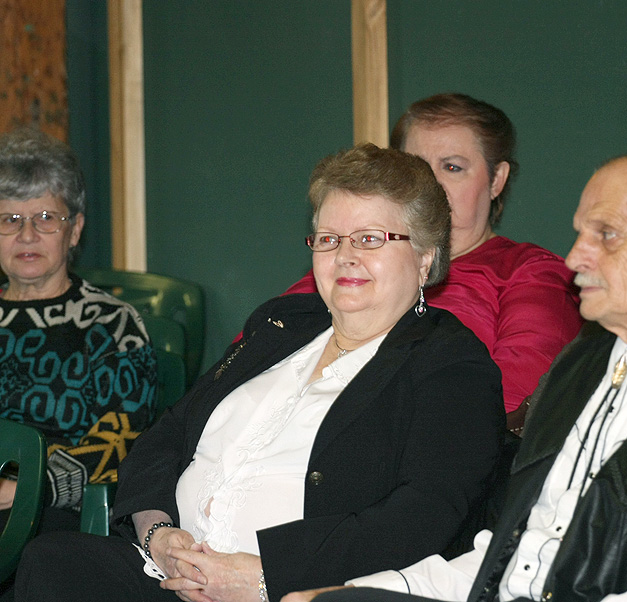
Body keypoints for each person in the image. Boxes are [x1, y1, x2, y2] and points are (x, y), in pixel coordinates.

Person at [284, 151, 627, 602]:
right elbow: (515, 555)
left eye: (606, 235)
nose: (575, 258)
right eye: (579, 234)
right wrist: (366, 590)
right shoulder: (582, 366)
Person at [16, 144, 505, 602]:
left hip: (294, 591)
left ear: (424, 257)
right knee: (53, 560)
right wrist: (158, 535)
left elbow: (422, 517)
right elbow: (166, 438)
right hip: (171, 576)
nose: (345, 255)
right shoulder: (283, 325)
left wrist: (262, 573)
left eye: (371, 239)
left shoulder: (451, 364)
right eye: (330, 238)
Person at [281, 94, 582, 431]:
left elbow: (510, 402)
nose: (432, 185)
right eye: (416, 167)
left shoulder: (527, 273)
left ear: (496, 180)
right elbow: (248, 364)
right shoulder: (348, 262)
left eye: (452, 167)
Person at [0, 127, 157, 523]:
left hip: (50, 515)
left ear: (76, 229)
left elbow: (121, 441)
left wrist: (30, 488)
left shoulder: (113, 325)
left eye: (46, 218)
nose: (27, 234)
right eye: (10, 218)